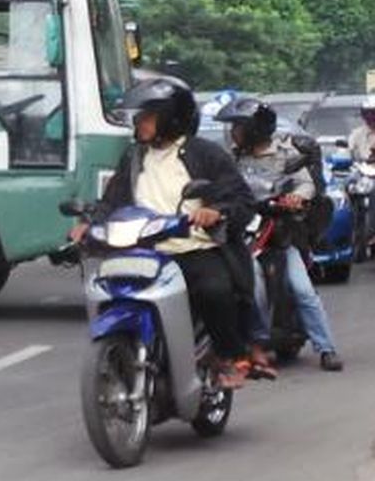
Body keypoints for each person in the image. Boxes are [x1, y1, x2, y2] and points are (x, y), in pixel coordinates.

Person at [70, 76, 258, 389]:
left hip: (192, 248)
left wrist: (216, 212)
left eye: (147, 116)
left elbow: (241, 200)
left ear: (171, 117)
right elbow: (113, 200)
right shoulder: (133, 157)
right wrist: (91, 224)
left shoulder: (206, 154)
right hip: (142, 249)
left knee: (214, 290)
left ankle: (228, 356)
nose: (139, 123)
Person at [218, 97, 344, 372]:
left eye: (239, 126)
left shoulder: (286, 153)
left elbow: (305, 185)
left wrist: (296, 198)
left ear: (255, 128)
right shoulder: (232, 157)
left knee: (303, 290)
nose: (234, 133)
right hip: (242, 232)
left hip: (280, 233)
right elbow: (220, 185)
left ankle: (326, 349)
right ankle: (248, 346)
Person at [347, 95, 375, 164]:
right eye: (366, 113)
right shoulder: (356, 134)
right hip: (363, 171)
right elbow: (350, 154)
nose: (370, 117)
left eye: (373, 113)